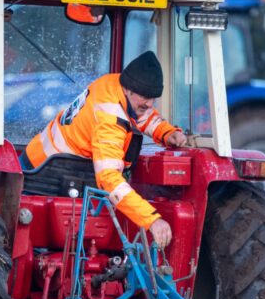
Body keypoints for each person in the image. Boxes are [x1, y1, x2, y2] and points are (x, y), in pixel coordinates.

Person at [21, 51, 186, 249]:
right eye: (145, 97)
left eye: (153, 98)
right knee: (35, 245)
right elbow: (109, 180)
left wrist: (167, 133)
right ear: (128, 89)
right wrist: (151, 219)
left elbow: (143, 114)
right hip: (43, 177)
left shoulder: (115, 84)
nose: (149, 103)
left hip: (47, 161)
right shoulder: (109, 117)